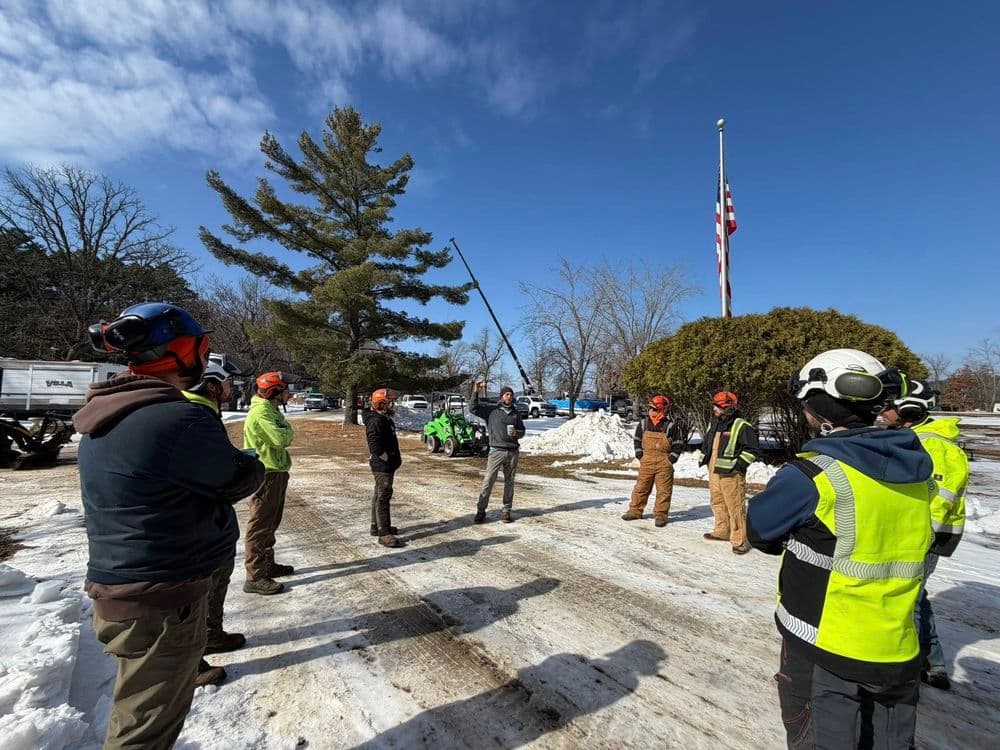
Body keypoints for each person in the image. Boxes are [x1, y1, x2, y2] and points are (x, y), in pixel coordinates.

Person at [76, 302, 264, 750]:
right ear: (184, 352)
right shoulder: (175, 417)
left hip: (126, 588)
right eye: (201, 348)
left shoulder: (111, 415)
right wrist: (253, 462)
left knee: (138, 709)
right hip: (162, 599)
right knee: (147, 729)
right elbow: (237, 476)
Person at [747, 348, 935, 750]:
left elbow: (760, 530)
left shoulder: (814, 475)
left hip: (824, 646)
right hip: (897, 646)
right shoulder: (917, 473)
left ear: (819, 409)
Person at [879, 373, 969, 691]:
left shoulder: (933, 444)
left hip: (926, 535)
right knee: (918, 598)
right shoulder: (913, 439)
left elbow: (939, 499)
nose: (881, 411)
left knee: (908, 600)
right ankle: (934, 664)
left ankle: (907, 668)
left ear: (909, 410)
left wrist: (918, 536)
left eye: (888, 406)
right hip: (916, 532)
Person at [182, 363, 248, 657]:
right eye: (227, 383)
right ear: (211, 385)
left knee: (212, 586)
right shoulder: (196, 417)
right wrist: (246, 471)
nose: (231, 389)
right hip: (202, 525)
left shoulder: (201, 414)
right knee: (203, 588)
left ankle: (211, 635)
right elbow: (219, 474)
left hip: (206, 521)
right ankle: (197, 649)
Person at [243, 371, 296, 595]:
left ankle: (267, 564)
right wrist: (286, 431)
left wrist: (285, 430)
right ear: (274, 392)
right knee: (260, 524)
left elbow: (285, 436)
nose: (289, 395)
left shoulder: (270, 410)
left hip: (276, 471)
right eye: (285, 391)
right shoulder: (262, 412)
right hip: (266, 473)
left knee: (271, 522)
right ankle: (255, 576)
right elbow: (282, 438)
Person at [699, 391, 759, 554]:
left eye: (717, 406)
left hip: (731, 472)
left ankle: (739, 540)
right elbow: (709, 443)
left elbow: (752, 450)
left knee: (735, 506)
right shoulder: (715, 422)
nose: (714, 409)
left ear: (727, 408)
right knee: (717, 501)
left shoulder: (741, 425)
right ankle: (722, 531)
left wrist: (738, 466)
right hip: (714, 469)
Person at [621, 395, 684, 527]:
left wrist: (670, 460)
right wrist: (640, 455)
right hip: (647, 461)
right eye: (650, 408)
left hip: (664, 462)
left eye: (654, 409)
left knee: (664, 491)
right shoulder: (643, 424)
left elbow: (678, 445)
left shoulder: (670, 426)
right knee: (641, 488)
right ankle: (635, 511)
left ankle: (661, 515)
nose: (650, 411)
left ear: (661, 411)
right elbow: (637, 440)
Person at [476, 386, 525, 524]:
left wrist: (518, 433)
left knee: (509, 482)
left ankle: (506, 510)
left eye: (511, 394)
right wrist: (476, 391)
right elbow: (473, 408)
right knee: (488, 481)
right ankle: (481, 510)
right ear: (501, 396)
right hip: (496, 451)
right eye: (506, 394)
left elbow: (522, 430)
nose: (509, 397)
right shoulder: (491, 411)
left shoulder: (516, 413)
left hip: (512, 452)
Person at [362, 388, 404, 548]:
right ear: (381, 404)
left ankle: (376, 526)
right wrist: (385, 457)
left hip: (387, 464)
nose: (392, 406)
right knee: (383, 496)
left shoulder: (383, 418)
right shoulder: (375, 421)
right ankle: (384, 533)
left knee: (379, 494)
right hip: (382, 466)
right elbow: (374, 444)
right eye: (389, 403)